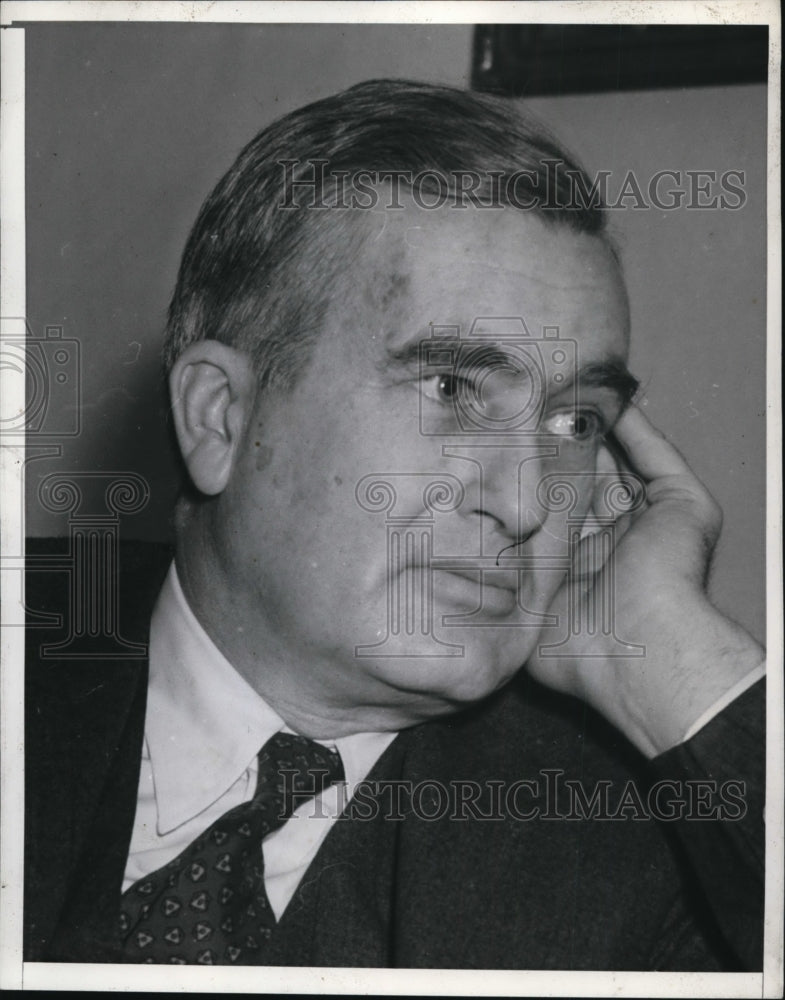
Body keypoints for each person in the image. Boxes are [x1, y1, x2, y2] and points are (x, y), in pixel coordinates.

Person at [24, 79, 765, 969]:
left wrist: (680, 665)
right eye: (450, 391)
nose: (526, 504)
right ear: (221, 417)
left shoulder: (660, 846)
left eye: (574, 423)